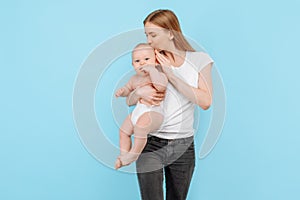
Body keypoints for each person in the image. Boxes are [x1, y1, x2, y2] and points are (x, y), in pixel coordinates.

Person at [126, 9, 214, 200]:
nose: (149, 40)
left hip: (183, 146)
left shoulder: (199, 60)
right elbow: (130, 99)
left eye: (153, 35)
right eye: (146, 35)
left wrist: (172, 76)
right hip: (150, 143)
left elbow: (206, 101)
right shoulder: (149, 59)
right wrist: (138, 93)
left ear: (171, 33)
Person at [114, 43, 168, 170]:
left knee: (140, 128)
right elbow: (128, 91)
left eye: (146, 59)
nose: (142, 63)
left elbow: (160, 86)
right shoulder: (134, 79)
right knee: (123, 131)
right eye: (137, 61)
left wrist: (153, 70)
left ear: (155, 60)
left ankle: (134, 154)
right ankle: (124, 156)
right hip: (138, 111)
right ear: (133, 65)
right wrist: (123, 91)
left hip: (154, 112)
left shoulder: (159, 75)